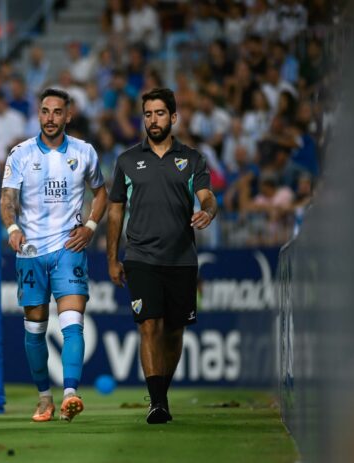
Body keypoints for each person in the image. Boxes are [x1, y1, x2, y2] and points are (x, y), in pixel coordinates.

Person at [106, 88, 217, 424]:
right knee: (149, 325)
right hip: (140, 257)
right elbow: (115, 213)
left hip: (182, 258)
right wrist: (113, 258)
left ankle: (160, 396)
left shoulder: (193, 159)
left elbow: (207, 197)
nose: (153, 120)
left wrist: (208, 212)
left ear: (173, 117)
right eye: (148, 114)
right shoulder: (126, 160)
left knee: (174, 332)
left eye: (159, 113)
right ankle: (156, 404)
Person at [0, 88, 107, 422]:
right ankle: (45, 398)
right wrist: (12, 229)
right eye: (45, 111)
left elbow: (101, 192)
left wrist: (90, 225)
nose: (50, 118)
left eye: (57, 112)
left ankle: (71, 394)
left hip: (68, 248)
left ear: (68, 116)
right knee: (34, 328)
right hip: (30, 251)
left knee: (72, 323)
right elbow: (7, 199)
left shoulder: (84, 152)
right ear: (38, 114)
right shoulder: (20, 154)